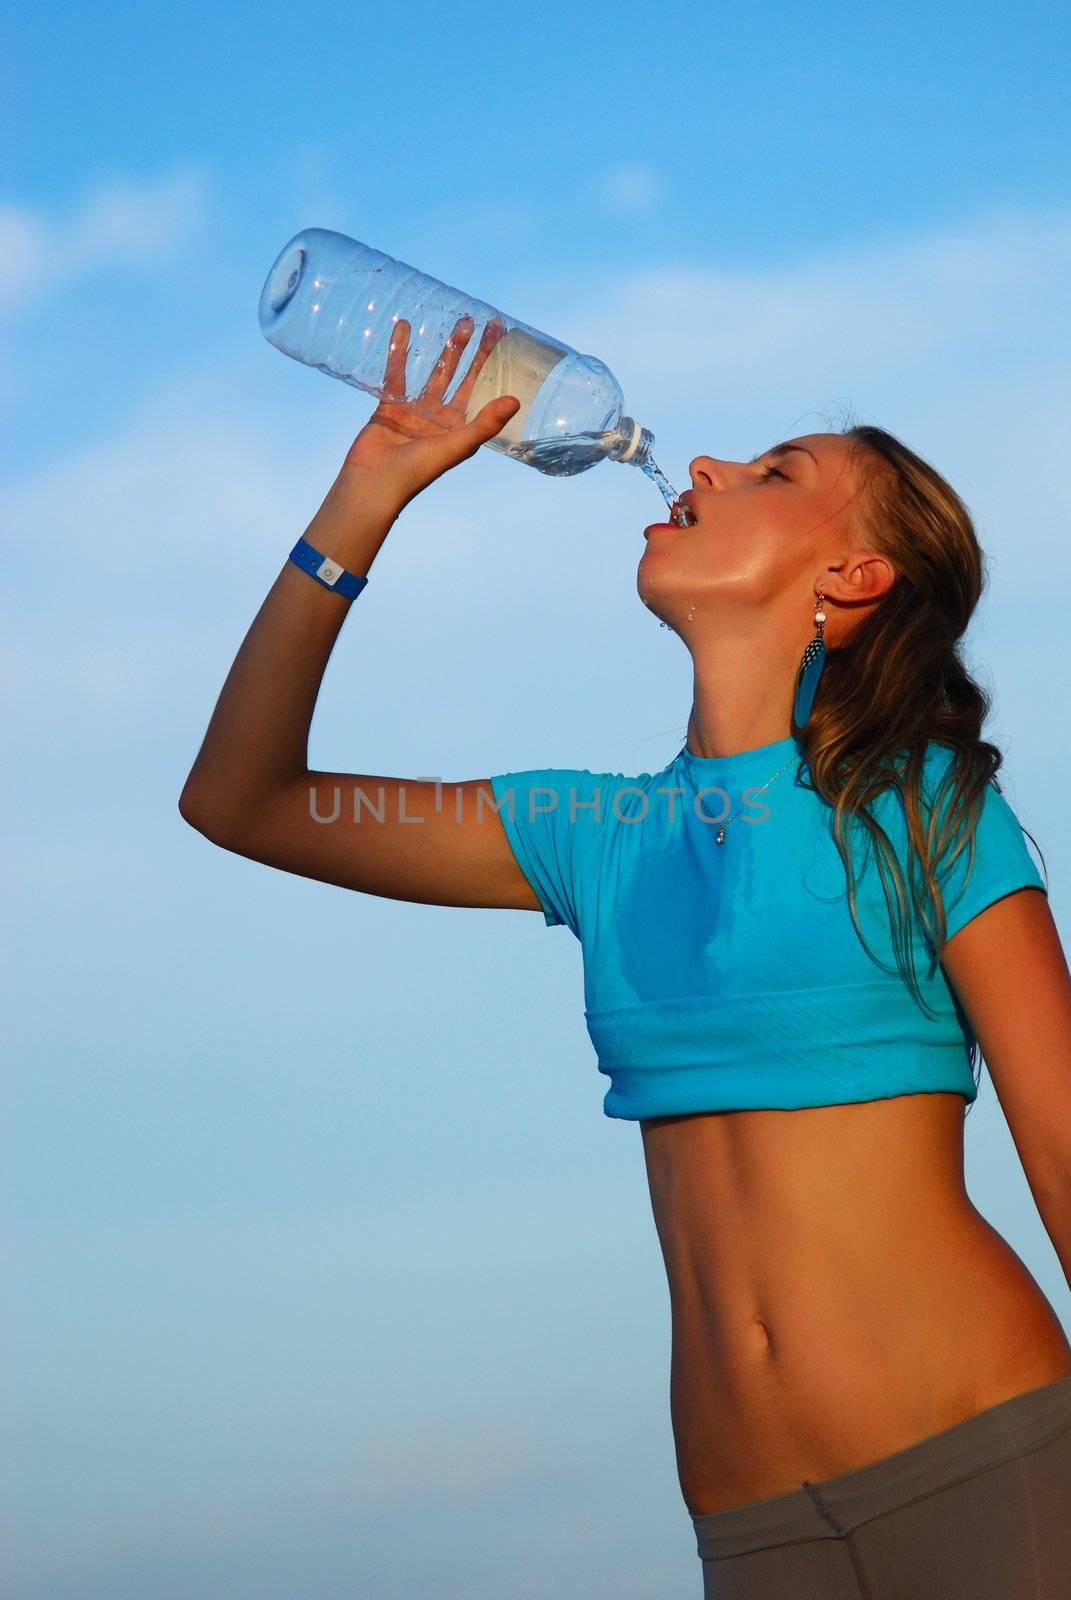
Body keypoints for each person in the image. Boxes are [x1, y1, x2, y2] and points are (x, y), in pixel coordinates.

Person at [179, 314, 1071, 1598]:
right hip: (752, 1524)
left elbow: (1059, 1145)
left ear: (855, 578)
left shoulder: (929, 809)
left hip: (987, 1463)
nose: (703, 465)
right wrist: (367, 487)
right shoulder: (591, 833)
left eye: (774, 473)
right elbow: (242, 798)